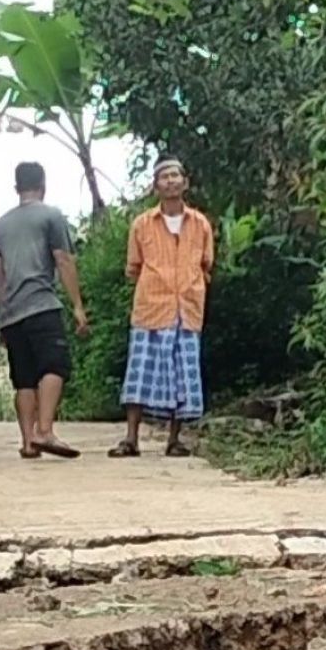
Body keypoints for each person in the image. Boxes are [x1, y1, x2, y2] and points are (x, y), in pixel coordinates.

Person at [108, 155, 214, 458]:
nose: (170, 181)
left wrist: (191, 286)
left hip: (188, 308)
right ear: (156, 186)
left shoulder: (200, 224)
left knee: (183, 372)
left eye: (175, 175)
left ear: (185, 182)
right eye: (164, 177)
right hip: (151, 307)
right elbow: (133, 267)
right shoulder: (142, 224)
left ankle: (175, 440)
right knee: (140, 371)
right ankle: (131, 439)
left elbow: (206, 263)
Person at [0, 162, 89, 459]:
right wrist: (77, 306)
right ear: (43, 185)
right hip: (42, 305)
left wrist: (1, 318)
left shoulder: (0, 225)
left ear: (16, 188)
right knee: (55, 365)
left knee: (23, 376)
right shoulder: (51, 215)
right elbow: (63, 260)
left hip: (12, 313)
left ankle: (27, 442)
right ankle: (44, 431)